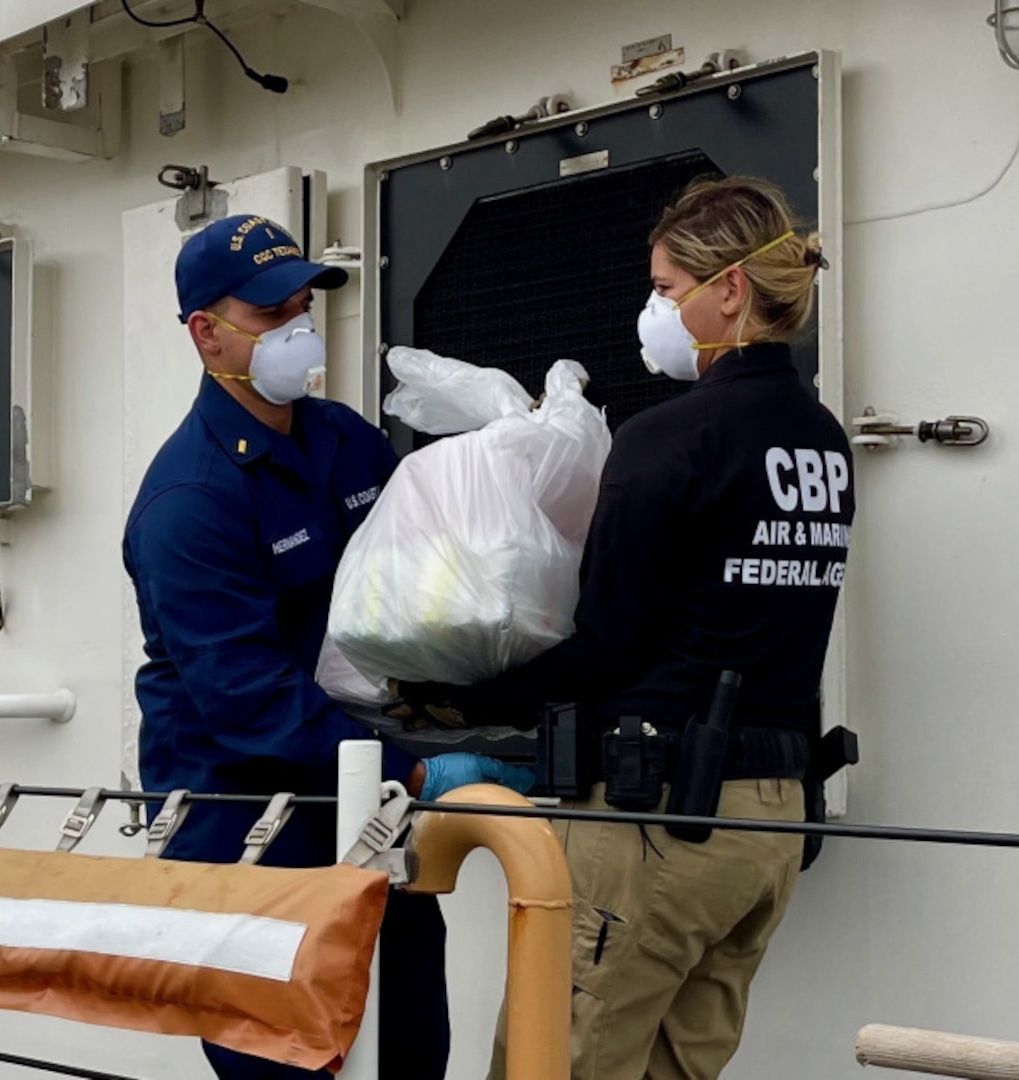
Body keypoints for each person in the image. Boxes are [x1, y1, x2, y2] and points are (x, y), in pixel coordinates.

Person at [396, 176, 854, 1080]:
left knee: (548, 1064)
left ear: (729, 292)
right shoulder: (823, 441)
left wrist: (455, 700)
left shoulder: (669, 439)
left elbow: (607, 647)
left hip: (659, 826)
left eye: (664, 289)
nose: (653, 311)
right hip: (770, 827)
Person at [122, 213, 532, 1080]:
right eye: (273, 315)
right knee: (289, 1066)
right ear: (207, 333)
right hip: (252, 835)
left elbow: (420, 575)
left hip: (374, 818)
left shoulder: (342, 438)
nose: (299, 330)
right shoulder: (188, 501)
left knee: (412, 1050)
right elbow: (245, 698)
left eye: (304, 307)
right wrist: (419, 771)